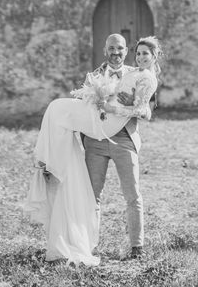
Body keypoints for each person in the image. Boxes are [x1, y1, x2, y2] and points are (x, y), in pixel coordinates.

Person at [24, 34, 160, 265]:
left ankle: (137, 247)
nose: (115, 53)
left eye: (120, 49)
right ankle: (88, 244)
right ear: (105, 50)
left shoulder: (136, 74)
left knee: (132, 194)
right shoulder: (94, 76)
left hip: (124, 139)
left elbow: (148, 107)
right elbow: (83, 111)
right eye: (111, 49)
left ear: (126, 51)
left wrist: (123, 107)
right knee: (91, 196)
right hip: (95, 143)